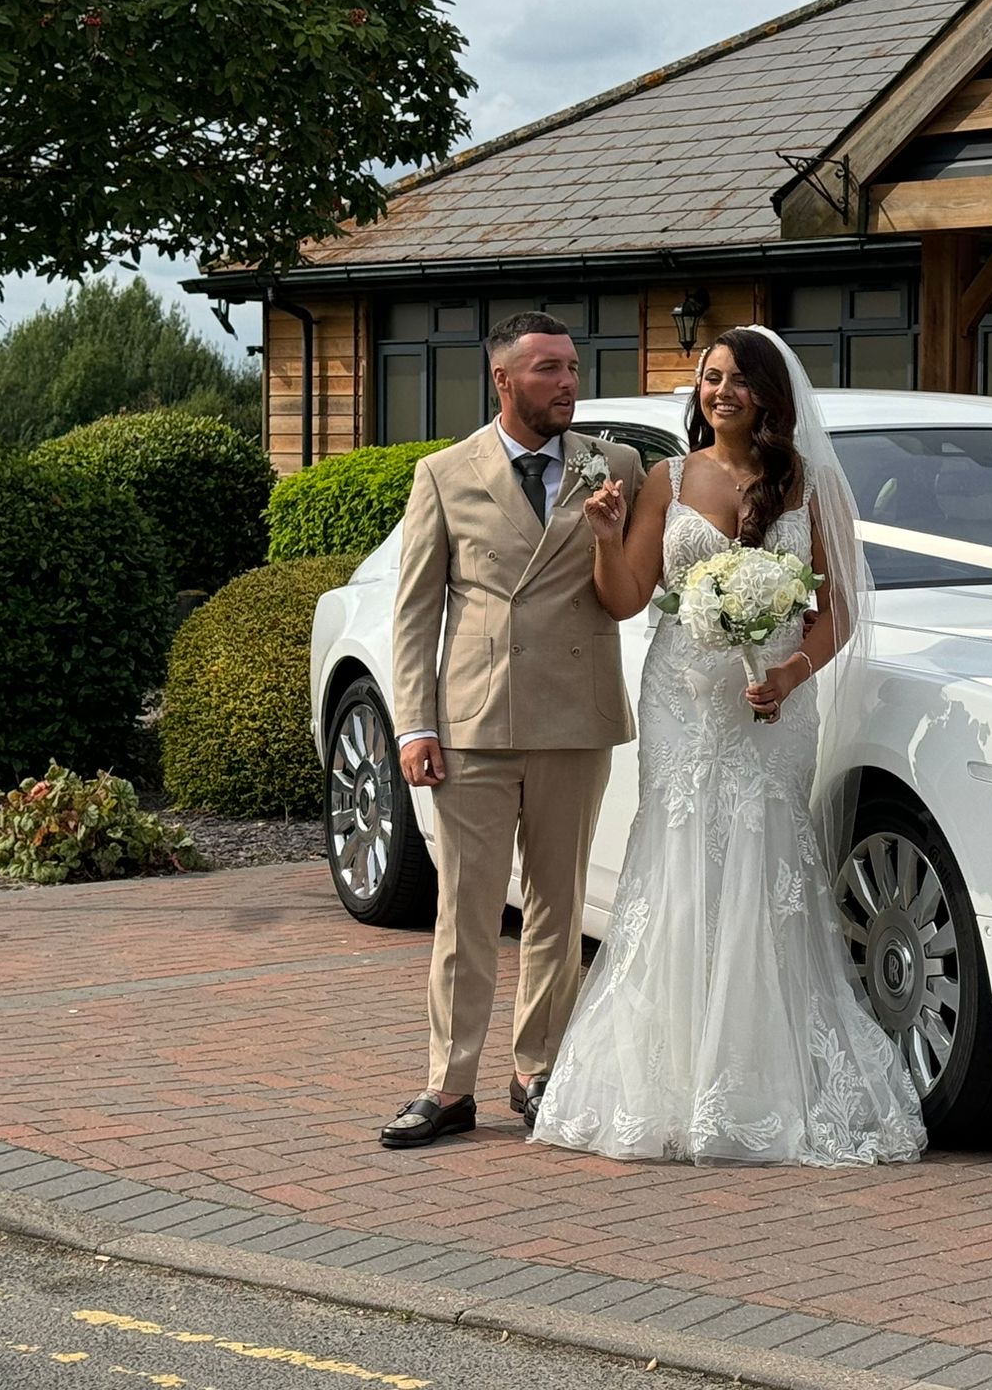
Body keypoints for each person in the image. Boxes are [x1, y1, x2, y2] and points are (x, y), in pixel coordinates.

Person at [530, 326, 925, 1167]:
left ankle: (756, 1079)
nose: (721, 392)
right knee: (675, 861)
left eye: (739, 380)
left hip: (772, 710)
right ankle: (668, 1079)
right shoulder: (668, 479)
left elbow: (838, 613)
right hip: (683, 703)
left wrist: (788, 672)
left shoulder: (806, 485)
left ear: (770, 395)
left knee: (762, 862)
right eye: (710, 378)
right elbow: (630, 597)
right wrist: (605, 537)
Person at [380, 312, 646, 1149]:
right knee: (464, 911)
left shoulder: (617, 466)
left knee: (559, 908)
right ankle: (448, 1086)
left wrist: (609, 537)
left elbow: (625, 591)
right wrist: (414, 724)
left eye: (572, 367)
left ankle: (540, 1072)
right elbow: (416, 611)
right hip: (473, 720)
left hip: (574, 712)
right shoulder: (444, 473)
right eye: (546, 370)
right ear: (503, 380)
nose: (567, 382)